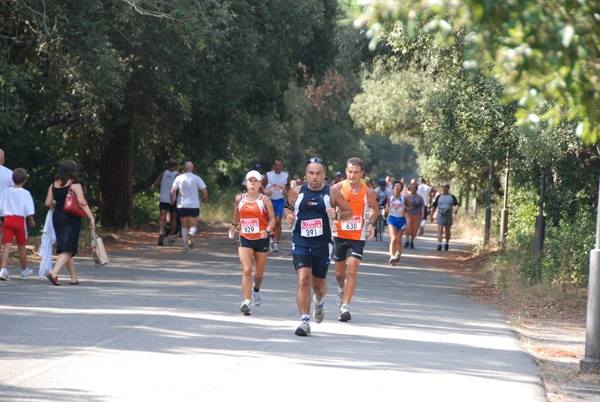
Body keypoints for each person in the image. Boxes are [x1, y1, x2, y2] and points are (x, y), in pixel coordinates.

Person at [284, 157, 353, 336]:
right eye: (311, 173)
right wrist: (289, 217)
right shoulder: (296, 191)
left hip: (323, 244)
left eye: (318, 173)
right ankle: (305, 321)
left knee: (318, 287)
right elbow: (287, 208)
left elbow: (349, 212)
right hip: (300, 241)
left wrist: (337, 215)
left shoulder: (333, 193)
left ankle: (319, 302)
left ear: (324, 174)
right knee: (303, 279)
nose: (314, 177)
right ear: (306, 174)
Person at [332, 158, 378, 322]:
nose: (352, 175)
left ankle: (345, 307)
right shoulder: (337, 188)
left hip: (357, 237)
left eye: (356, 172)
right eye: (350, 172)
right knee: (339, 273)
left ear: (362, 173)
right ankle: (341, 286)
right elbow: (327, 206)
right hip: (339, 235)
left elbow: (375, 207)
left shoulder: (368, 191)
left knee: (352, 270)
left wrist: (371, 223)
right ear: (346, 171)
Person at [229, 170, 276, 316]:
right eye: (250, 181)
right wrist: (234, 224)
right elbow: (237, 211)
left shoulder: (264, 200)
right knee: (247, 270)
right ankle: (246, 301)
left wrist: (267, 230)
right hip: (245, 238)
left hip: (261, 239)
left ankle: (256, 289)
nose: (253, 184)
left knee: (258, 274)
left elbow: (273, 219)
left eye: (256, 181)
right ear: (246, 183)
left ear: (260, 184)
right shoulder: (240, 198)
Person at [44, 160, 95, 286]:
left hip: (57, 216)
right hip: (71, 217)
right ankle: (54, 272)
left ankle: (73, 278)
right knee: (69, 247)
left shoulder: (53, 184)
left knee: (65, 246)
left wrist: (57, 202)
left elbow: (47, 203)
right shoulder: (74, 184)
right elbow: (82, 202)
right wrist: (91, 217)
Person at [0, 168, 35, 281]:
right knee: (21, 247)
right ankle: (24, 271)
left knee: (7, 246)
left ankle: (3, 270)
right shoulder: (25, 193)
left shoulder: (6, 191)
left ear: (12, 179)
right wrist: (31, 219)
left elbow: (1, 205)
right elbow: (28, 208)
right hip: (19, 220)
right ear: (25, 180)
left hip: (8, 219)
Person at [170, 161, 208, 253]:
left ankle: (185, 246)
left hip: (181, 205)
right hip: (193, 205)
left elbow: (172, 191)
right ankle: (190, 234)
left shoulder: (179, 178)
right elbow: (204, 191)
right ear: (193, 169)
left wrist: (171, 201)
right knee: (193, 225)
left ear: (183, 169)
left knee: (184, 226)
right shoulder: (197, 178)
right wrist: (204, 199)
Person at [261, 157, 290, 252]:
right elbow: (261, 185)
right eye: (276, 165)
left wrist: (286, 191)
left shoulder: (285, 176)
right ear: (273, 166)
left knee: (277, 221)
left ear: (281, 165)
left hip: (279, 200)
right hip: (269, 200)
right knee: (269, 221)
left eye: (279, 165)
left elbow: (288, 186)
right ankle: (271, 238)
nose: (278, 167)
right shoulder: (268, 175)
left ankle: (276, 242)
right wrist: (265, 190)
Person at [153, 159, 179, 246]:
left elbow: (155, 184)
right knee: (173, 218)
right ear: (176, 166)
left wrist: (162, 185)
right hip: (172, 199)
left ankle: (161, 232)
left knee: (162, 217)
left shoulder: (163, 173)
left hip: (163, 198)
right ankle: (171, 236)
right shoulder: (178, 175)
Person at [386, 180, 411, 266]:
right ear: (393, 188)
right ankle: (392, 257)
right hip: (392, 219)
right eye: (396, 186)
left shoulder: (404, 198)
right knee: (393, 239)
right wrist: (386, 211)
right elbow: (387, 209)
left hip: (401, 220)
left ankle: (399, 252)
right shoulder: (390, 198)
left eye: (399, 187)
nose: (397, 188)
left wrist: (405, 210)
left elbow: (410, 207)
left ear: (401, 189)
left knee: (398, 240)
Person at [431, 181, 460, 250]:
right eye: (443, 186)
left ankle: (446, 243)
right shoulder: (439, 197)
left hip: (448, 215)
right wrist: (431, 215)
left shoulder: (452, 197)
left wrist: (456, 209)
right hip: (440, 214)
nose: (444, 188)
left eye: (446, 186)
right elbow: (434, 206)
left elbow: (456, 204)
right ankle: (439, 244)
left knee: (447, 230)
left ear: (448, 188)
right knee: (440, 229)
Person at [403, 182, 425, 249]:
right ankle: (407, 241)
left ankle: (412, 242)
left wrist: (423, 214)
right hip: (408, 213)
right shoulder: (407, 196)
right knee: (408, 226)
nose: (412, 189)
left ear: (416, 189)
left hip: (417, 214)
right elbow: (404, 205)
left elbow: (422, 206)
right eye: (411, 188)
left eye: (414, 188)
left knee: (414, 228)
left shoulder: (419, 197)